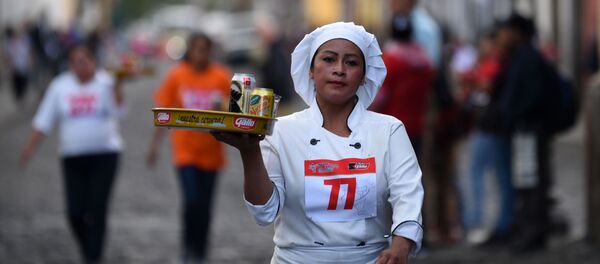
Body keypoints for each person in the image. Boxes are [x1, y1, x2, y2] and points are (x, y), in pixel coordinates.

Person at [213, 22, 424, 264]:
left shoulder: (389, 130)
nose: (340, 70)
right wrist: (249, 152)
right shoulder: (281, 131)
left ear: (365, 76)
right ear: (310, 69)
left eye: (352, 62)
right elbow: (265, 212)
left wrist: (400, 245)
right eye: (329, 59)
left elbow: (408, 194)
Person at [20, 44, 125, 263]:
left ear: (93, 62)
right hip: (73, 157)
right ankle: (88, 248)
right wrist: (30, 148)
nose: (80, 66)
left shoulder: (106, 82)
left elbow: (118, 111)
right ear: (70, 65)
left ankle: (93, 257)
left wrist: (117, 87)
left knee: (97, 208)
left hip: (105, 155)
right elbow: (44, 120)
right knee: (75, 211)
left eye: (84, 61)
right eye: (75, 62)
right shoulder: (60, 86)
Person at [146, 32, 231, 263]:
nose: (200, 54)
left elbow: (233, 112)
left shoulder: (221, 77)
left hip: (213, 153)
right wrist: (154, 147)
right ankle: (187, 249)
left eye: (205, 50)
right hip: (185, 152)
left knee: (204, 207)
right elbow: (163, 114)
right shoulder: (177, 77)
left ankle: (200, 252)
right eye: (197, 49)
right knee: (191, 200)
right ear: (189, 51)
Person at [371, 15, 434, 158]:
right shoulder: (425, 61)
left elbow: (379, 98)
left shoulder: (390, 60)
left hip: (392, 127)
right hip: (417, 125)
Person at [4, 27, 32, 105]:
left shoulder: (24, 43)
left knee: (24, 81)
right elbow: (7, 55)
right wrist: (9, 64)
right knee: (16, 82)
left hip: (24, 66)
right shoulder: (11, 44)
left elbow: (28, 53)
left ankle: (22, 95)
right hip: (15, 67)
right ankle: (18, 96)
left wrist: (29, 61)